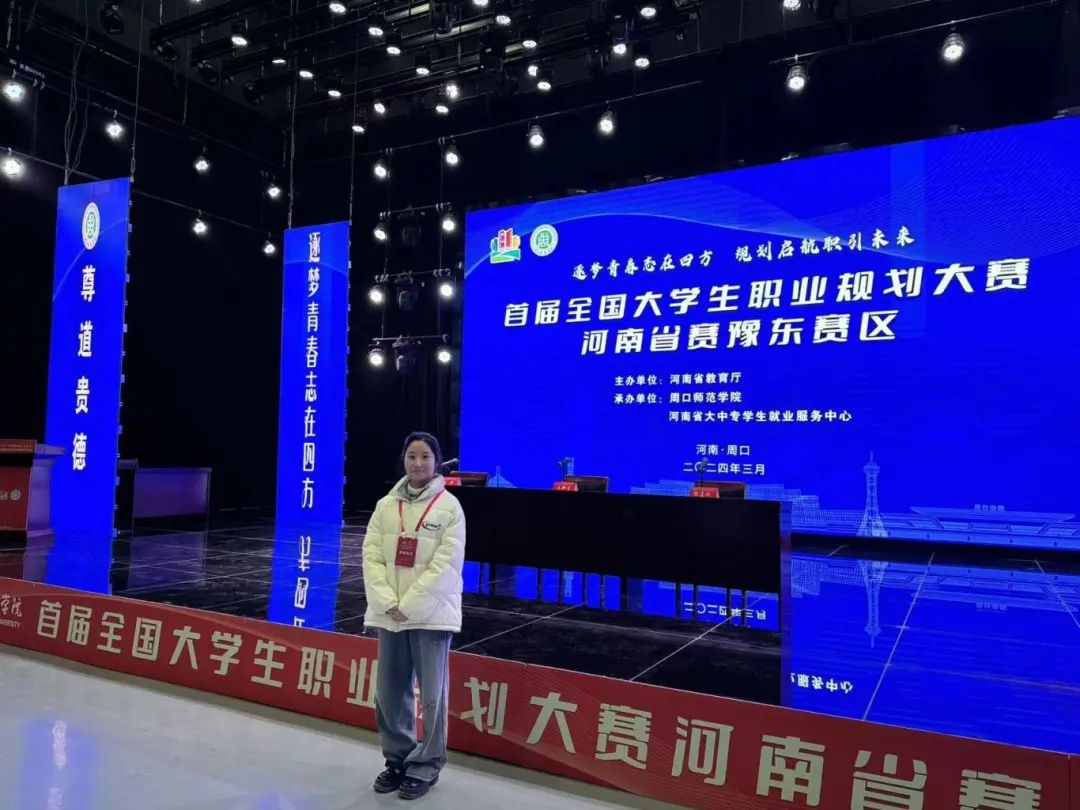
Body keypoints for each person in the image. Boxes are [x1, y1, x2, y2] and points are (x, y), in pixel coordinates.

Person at [362, 431, 466, 800]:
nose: (418, 463)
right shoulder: (385, 506)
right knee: (390, 693)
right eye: (412, 456)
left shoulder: (450, 507)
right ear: (403, 460)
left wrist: (409, 605)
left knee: (433, 697)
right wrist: (387, 601)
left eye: (425, 456)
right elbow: (371, 556)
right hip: (390, 613)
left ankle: (426, 765)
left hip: (430, 615)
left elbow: (447, 565)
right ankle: (397, 759)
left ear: (436, 462)